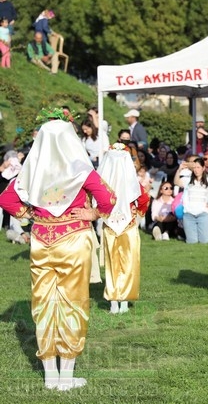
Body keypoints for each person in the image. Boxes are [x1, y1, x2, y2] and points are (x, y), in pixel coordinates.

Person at [0, 110, 116, 391]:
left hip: (42, 240)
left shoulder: (32, 171)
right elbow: (108, 198)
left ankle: (51, 377)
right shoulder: (80, 169)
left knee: (44, 305)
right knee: (72, 305)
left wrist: (30, 214)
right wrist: (93, 213)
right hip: (73, 239)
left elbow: (6, 198)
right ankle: (66, 378)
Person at [98, 143, 150, 314]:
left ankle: (114, 302)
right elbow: (143, 200)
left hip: (111, 226)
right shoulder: (133, 184)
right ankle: (123, 302)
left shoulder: (102, 186)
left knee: (112, 263)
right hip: (128, 225)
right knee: (128, 263)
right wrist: (137, 212)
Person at [174, 157, 208, 244]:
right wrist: (179, 169)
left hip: (203, 214)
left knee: (205, 241)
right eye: (194, 167)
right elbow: (176, 182)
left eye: (198, 167)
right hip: (188, 215)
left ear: (203, 168)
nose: (196, 170)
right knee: (192, 242)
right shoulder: (188, 180)